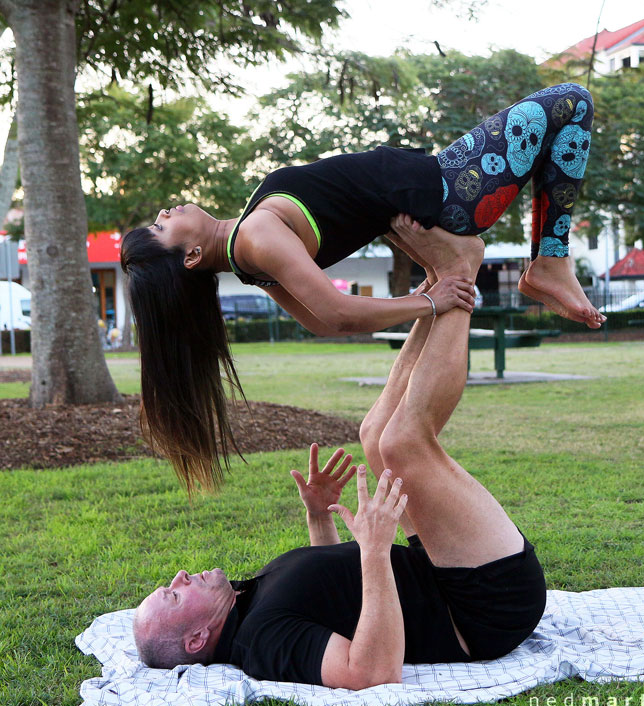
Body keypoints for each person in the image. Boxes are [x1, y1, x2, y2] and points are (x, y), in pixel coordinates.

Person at [121, 82, 603, 494]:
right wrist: (427, 300)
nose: (164, 213)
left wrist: (429, 296)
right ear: (188, 257)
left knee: (563, 115)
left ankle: (549, 263)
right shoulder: (255, 237)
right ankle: (551, 263)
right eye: (159, 228)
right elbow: (335, 313)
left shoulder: (248, 256)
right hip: (448, 189)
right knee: (572, 102)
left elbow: (319, 322)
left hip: (431, 194)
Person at [132, 243, 547, 689]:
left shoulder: (242, 603)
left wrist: (318, 516)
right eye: (173, 594)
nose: (179, 576)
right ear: (197, 639)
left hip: (441, 573)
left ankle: (435, 287)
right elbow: (370, 672)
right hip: (484, 606)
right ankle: (461, 274)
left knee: (375, 434)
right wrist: (372, 551)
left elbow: (334, 602)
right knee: (404, 443)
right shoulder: (261, 641)